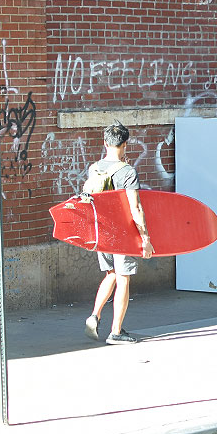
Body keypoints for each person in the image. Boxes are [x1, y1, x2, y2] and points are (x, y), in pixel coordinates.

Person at [82, 122, 154, 345]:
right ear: (125, 144)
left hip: (102, 232)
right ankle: (116, 331)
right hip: (122, 234)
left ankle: (94, 315)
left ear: (105, 143)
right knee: (123, 279)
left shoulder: (94, 168)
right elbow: (136, 208)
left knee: (110, 274)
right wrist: (146, 239)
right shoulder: (128, 172)